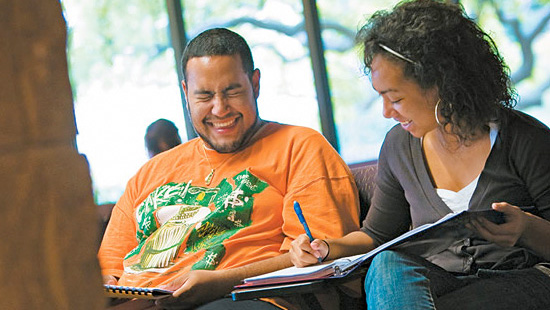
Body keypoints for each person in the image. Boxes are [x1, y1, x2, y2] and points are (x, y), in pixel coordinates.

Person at [290, 1, 550, 309]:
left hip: (521, 281)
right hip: (436, 285)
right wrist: (326, 248)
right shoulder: (398, 147)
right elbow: (375, 235)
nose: (387, 112)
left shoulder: (524, 139)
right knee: (387, 264)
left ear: (441, 83)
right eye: (381, 98)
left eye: (395, 98)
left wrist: (526, 229)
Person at [98, 28, 360, 310]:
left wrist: (223, 281)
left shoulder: (300, 147)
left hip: (240, 299)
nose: (220, 109)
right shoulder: (148, 174)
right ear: (186, 92)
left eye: (232, 91)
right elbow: (108, 270)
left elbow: (316, 257)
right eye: (205, 96)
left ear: (255, 84)